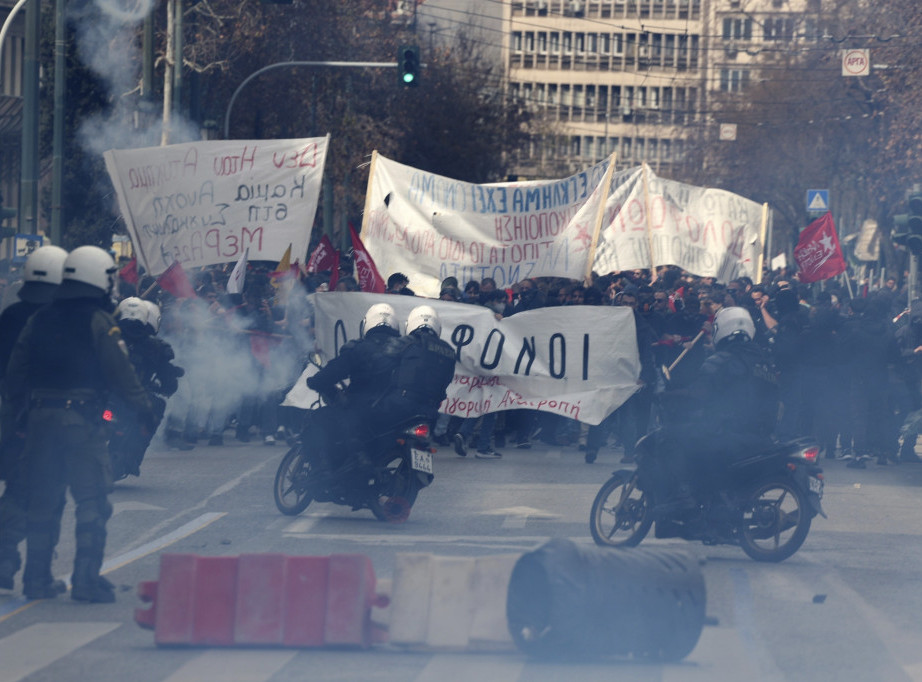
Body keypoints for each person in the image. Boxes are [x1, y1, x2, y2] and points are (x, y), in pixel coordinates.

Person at [5, 246, 156, 602]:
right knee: (92, 499)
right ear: (97, 278)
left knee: (44, 498)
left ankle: (37, 580)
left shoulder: (38, 318)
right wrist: (144, 408)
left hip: (40, 418)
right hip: (81, 420)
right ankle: (86, 580)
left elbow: (15, 372)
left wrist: (23, 412)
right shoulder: (99, 322)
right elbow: (121, 373)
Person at [659, 306, 778, 505]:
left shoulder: (721, 360)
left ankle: (684, 493)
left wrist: (669, 395)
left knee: (672, 437)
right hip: (761, 436)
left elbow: (699, 393)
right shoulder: (763, 363)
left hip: (727, 432)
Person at [0, 245, 68, 591]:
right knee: (49, 493)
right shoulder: (61, 321)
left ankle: (5, 561)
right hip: (45, 418)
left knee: (18, 488)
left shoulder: (9, 317)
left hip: (11, 419)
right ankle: (37, 573)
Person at [305, 302, 404, 467]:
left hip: (361, 410)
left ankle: (329, 468)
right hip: (395, 411)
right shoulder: (406, 350)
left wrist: (315, 381)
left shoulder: (359, 349)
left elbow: (330, 373)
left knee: (318, 419)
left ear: (368, 324)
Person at [113, 297, 183, 475]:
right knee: (156, 407)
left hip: (107, 394)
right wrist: (167, 386)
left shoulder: (107, 337)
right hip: (135, 396)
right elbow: (168, 381)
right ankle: (134, 456)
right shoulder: (155, 346)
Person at [371, 305, 456, 437]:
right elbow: (447, 381)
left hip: (401, 404)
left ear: (410, 323)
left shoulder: (407, 342)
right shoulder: (449, 351)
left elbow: (380, 363)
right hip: (431, 410)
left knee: (365, 422)